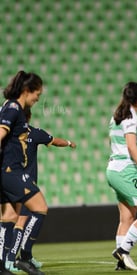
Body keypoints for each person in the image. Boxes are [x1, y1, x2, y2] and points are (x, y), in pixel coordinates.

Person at [5, 107, 76, 273]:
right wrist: (69, 142)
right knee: (22, 221)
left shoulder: (8, 135)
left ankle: (24, 256)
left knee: (12, 220)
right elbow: (55, 141)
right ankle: (11, 260)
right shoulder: (34, 133)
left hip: (10, 181)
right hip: (24, 185)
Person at [107, 82, 137, 271]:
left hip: (113, 169)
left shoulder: (117, 115)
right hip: (126, 170)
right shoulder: (130, 116)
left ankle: (122, 264)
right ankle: (123, 250)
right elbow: (131, 146)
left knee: (127, 217)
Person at [0, 71, 45, 275]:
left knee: (8, 216)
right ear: (27, 91)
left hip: (5, 170)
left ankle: (1, 266)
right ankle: (24, 257)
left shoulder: (9, 106)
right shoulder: (14, 108)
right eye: (37, 94)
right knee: (40, 208)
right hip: (10, 170)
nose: (38, 98)